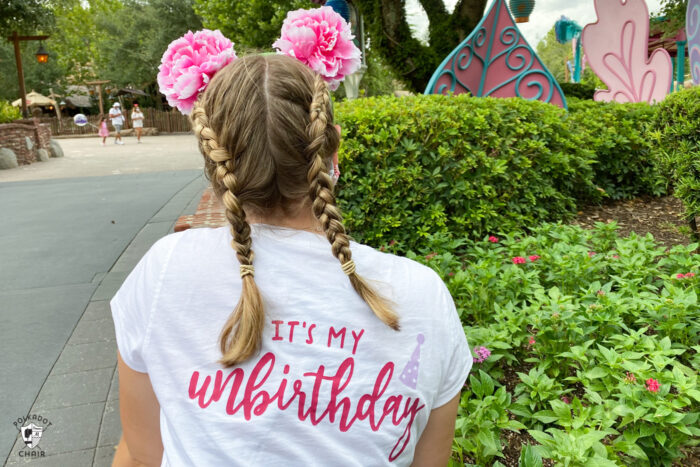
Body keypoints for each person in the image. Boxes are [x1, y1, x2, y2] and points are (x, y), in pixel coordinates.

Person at [111, 21, 471, 467]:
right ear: (332, 153)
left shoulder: (165, 271)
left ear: (213, 161)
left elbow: (144, 455)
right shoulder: (422, 294)